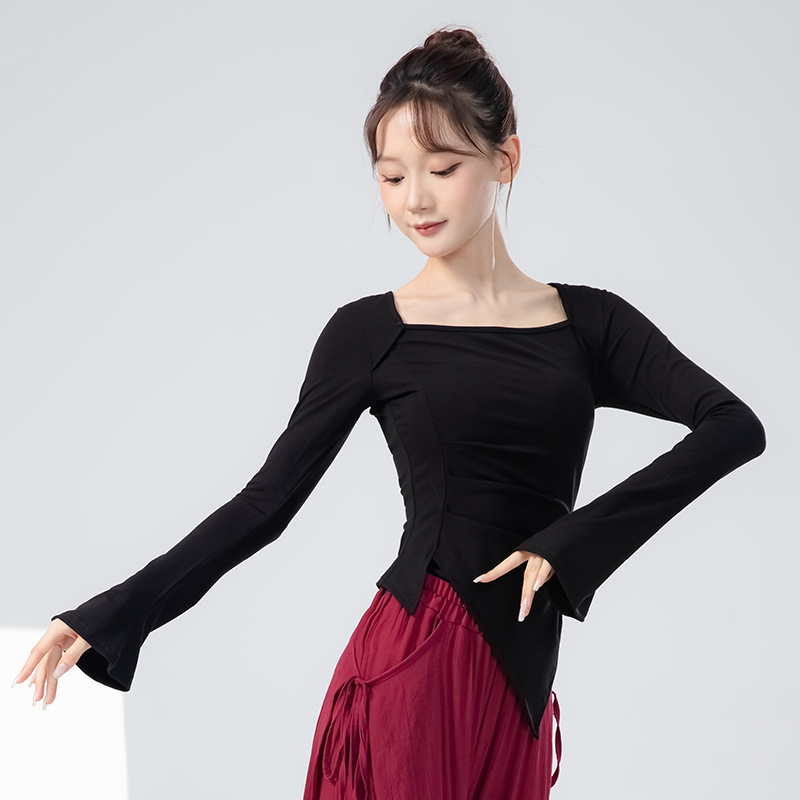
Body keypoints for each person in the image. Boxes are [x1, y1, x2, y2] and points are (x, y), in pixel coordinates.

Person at [11, 25, 766, 800]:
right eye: (392, 176)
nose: (416, 200)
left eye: (443, 168)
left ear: (505, 159)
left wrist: (573, 546)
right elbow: (266, 503)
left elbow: (732, 426)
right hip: (418, 660)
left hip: (522, 685)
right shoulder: (372, 332)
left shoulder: (589, 324)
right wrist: (112, 613)